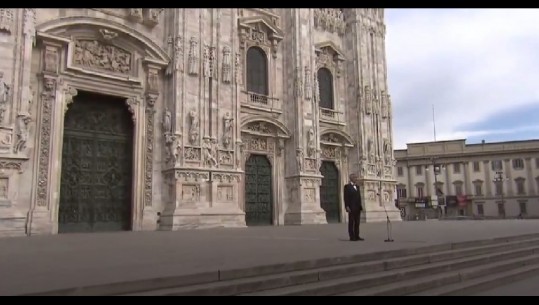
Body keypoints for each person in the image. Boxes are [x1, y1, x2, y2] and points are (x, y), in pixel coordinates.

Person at [344, 173, 364, 241]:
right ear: (351, 178)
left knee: (357, 223)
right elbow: (346, 197)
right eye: (355, 177)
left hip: (357, 207)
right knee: (351, 222)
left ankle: (357, 235)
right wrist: (347, 206)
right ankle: (352, 237)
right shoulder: (347, 186)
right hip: (351, 207)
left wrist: (360, 206)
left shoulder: (357, 186)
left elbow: (359, 197)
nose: (356, 178)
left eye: (356, 177)